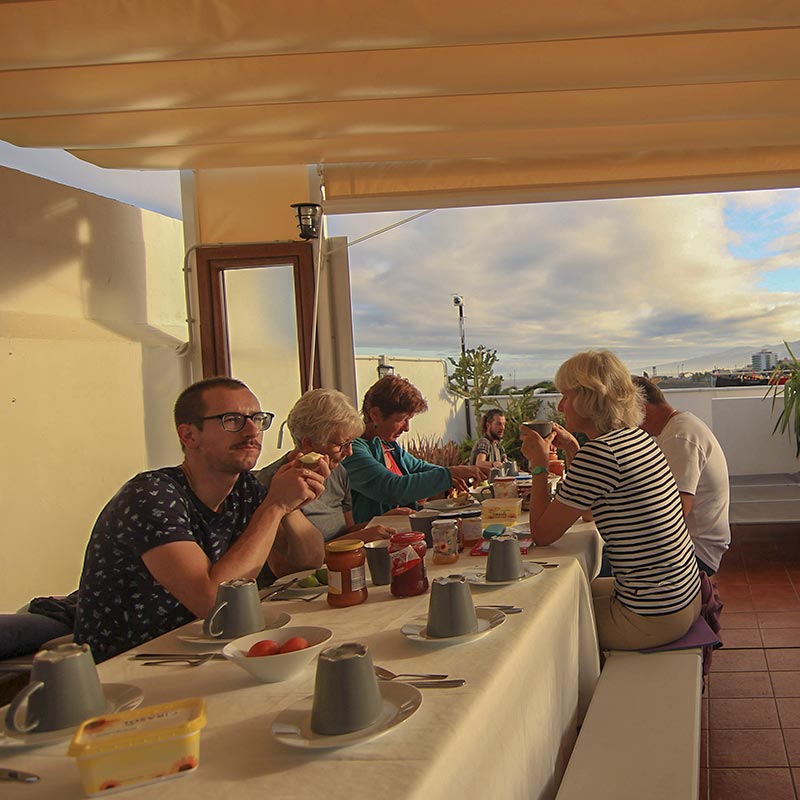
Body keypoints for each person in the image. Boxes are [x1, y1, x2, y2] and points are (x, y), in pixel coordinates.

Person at [74, 377, 327, 662]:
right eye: (232, 420)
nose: (252, 431)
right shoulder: (151, 495)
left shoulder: (244, 489)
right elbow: (215, 603)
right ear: (189, 436)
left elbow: (308, 562)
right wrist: (275, 505)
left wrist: (290, 504)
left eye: (257, 419)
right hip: (131, 666)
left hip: (204, 651)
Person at [521, 351, 701, 651]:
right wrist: (574, 449)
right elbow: (591, 512)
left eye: (566, 395)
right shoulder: (636, 438)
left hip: (651, 617)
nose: (561, 405)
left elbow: (541, 534)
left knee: (539, 625)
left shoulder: (602, 454)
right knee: (570, 591)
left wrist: (539, 464)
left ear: (590, 397)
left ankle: (580, 697)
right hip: (684, 597)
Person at [258, 388, 407, 544]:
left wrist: (381, 522)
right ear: (308, 443)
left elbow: (345, 531)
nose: (349, 452)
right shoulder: (271, 484)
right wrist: (357, 538)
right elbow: (287, 563)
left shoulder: (338, 471)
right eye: (341, 445)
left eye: (351, 443)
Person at [344, 375, 484, 523]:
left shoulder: (388, 445)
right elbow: (392, 488)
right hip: (374, 540)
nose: (406, 428)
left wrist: (458, 475)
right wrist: (449, 475)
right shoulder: (353, 451)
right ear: (375, 415)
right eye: (401, 419)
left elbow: (420, 467)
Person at [632, 376, 730, 575]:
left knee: (596, 567)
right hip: (696, 543)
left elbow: (675, 512)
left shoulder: (679, 436)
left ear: (643, 409)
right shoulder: (678, 427)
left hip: (696, 551)